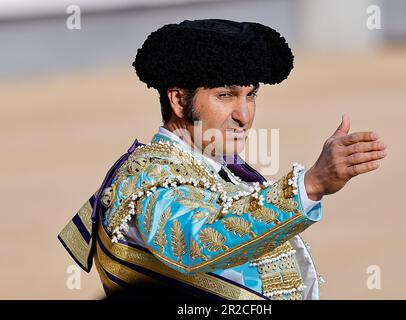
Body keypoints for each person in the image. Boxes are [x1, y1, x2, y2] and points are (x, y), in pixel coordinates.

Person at [58, 19, 386, 300]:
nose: (244, 115)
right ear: (178, 99)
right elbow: (198, 240)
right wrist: (310, 185)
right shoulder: (146, 180)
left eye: (251, 94)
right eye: (225, 95)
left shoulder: (223, 173)